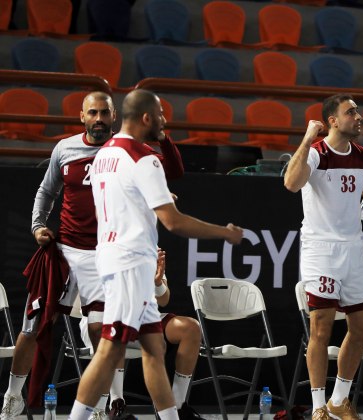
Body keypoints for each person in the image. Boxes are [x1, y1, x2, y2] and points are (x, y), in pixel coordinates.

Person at [0, 91, 183, 420]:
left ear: (114, 117)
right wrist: (38, 225)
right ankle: (13, 396)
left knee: (104, 333)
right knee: (34, 327)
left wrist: (162, 143)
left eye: (104, 113)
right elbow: (47, 190)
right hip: (64, 252)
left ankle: (100, 407)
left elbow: (172, 170)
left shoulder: (127, 150)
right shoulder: (65, 148)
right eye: (93, 113)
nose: (99, 119)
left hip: (104, 257)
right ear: (82, 116)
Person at [68, 89, 243, 420]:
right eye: (160, 114)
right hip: (130, 263)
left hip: (113, 256)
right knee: (108, 352)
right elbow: (174, 222)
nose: (164, 120)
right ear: (146, 117)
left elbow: (125, 199)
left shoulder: (105, 153)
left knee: (153, 349)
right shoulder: (143, 158)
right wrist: (224, 232)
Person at [283, 94, 363, 420]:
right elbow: (291, 183)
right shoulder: (316, 153)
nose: (358, 117)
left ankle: (338, 400)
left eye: (358, 111)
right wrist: (306, 139)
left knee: (362, 326)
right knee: (321, 328)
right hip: (321, 250)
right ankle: (318, 406)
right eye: (350, 112)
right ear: (332, 120)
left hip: (354, 250)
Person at [80, 249, 203, 420]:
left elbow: (164, 299)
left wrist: (157, 283)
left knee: (191, 328)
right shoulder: (103, 245)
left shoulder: (149, 245)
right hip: (102, 323)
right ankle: (116, 404)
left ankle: (178, 406)